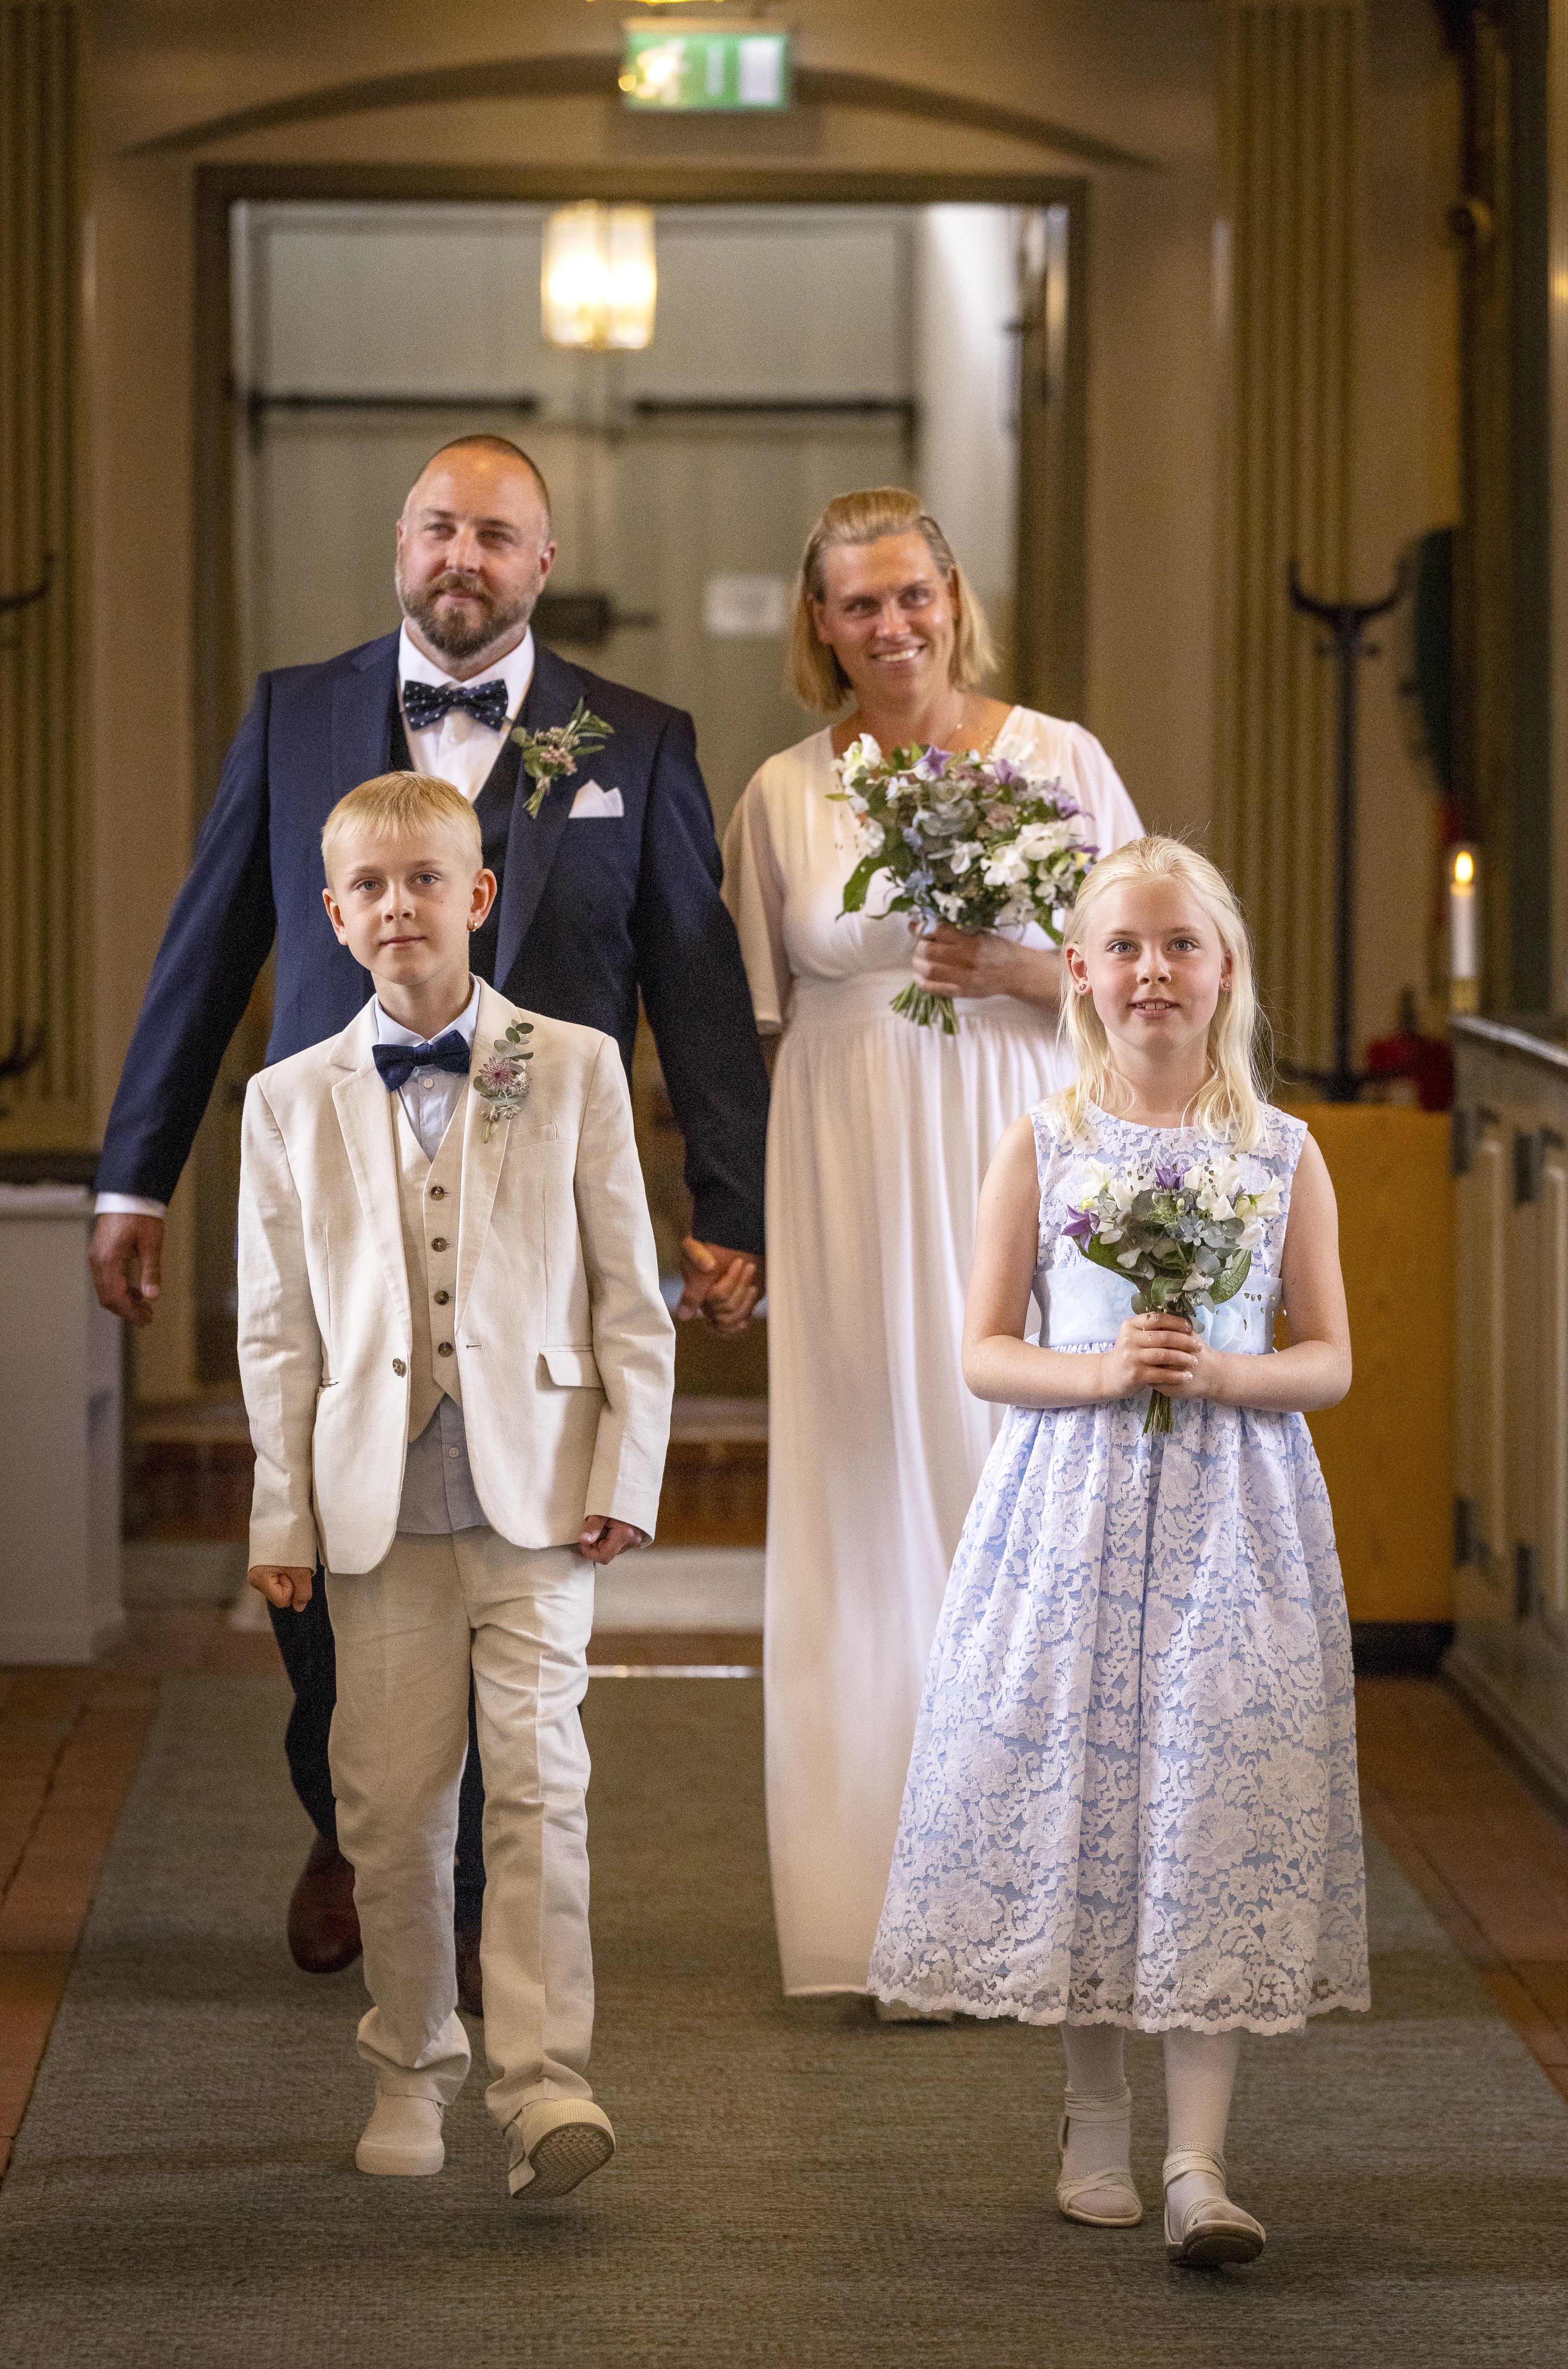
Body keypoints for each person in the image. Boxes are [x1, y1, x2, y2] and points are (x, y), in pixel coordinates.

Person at [90, 435, 768, 1993]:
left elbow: (699, 990)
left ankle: (465, 1904)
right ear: (401, 544)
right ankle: (349, 1820)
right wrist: (138, 1173)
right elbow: (206, 953)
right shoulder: (293, 714)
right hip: (337, 1207)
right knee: (331, 1541)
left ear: (542, 564)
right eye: (441, 528)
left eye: (500, 536)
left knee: (513, 1543)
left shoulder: (636, 742)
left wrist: (726, 1200)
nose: (465, 557)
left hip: (536, 1225)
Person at [870, 836, 1368, 2265]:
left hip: (1235, 1519)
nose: (1155, 971)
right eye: (1127, 948)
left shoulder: (1281, 1151)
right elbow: (981, 1352)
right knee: (1085, 1797)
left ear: (1225, 974)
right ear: (1080, 976)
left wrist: (1226, 1373)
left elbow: (1327, 1357)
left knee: (1211, 1804)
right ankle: (1095, 2117)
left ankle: (1201, 2164)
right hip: (1071, 1507)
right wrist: (1101, 1373)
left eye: (1183, 947)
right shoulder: (1044, 1140)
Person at [721, 487, 1143, 1998]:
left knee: (1020, 1491)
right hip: (844, 1160)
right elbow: (743, 1024)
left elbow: (1163, 977)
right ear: (819, 626)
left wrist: (1032, 969)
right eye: (857, 606)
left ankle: (1049, 1900)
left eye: (914, 597)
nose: (891, 627)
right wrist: (733, 1223)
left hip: (1020, 1150)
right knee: (861, 1503)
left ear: (956, 596)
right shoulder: (783, 792)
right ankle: (867, 1913)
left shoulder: (1062, 759)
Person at [239, 769, 676, 2200]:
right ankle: (410, 2063)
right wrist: (281, 1514)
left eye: (426, 879)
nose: (398, 906)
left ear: (476, 895)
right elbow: (278, 1329)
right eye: (368, 886)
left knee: (542, 1790)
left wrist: (628, 1466)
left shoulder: (572, 1063)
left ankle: (546, 2085)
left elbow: (629, 1297)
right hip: (373, 1510)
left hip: (540, 1495)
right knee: (393, 1804)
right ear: (333, 914)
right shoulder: (286, 1102)